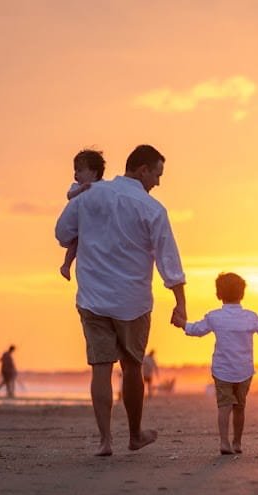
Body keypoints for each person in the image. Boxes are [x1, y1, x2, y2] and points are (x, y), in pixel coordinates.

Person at [54, 144, 188, 456]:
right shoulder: (152, 208)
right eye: (157, 173)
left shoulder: (90, 194)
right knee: (132, 367)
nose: (158, 181)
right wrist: (179, 302)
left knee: (100, 368)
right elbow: (169, 259)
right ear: (142, 170)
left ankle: (105, 441)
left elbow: (62, 234)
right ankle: (135, 435)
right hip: (132, 302)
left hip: (93, 299)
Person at [182, 272, 258, 454]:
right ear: (242, 294)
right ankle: (237, 443)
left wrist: (182, 323)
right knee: (240, 408)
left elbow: (196, 330)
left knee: (224, 407)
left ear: (218, 294)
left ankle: (224, 442)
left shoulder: (214, 316)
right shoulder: (250, 317)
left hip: (222, 370)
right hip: (244, 370)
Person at [59, 149, 106, 281]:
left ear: (94, 172)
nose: (76, 174)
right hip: (81, 227)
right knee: (75, 243)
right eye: (75, 170)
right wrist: (81, 189)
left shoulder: (103, 187)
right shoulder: (76, 186)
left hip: (95, 228)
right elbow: (69, 196)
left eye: (80, 170)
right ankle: (66, 265)